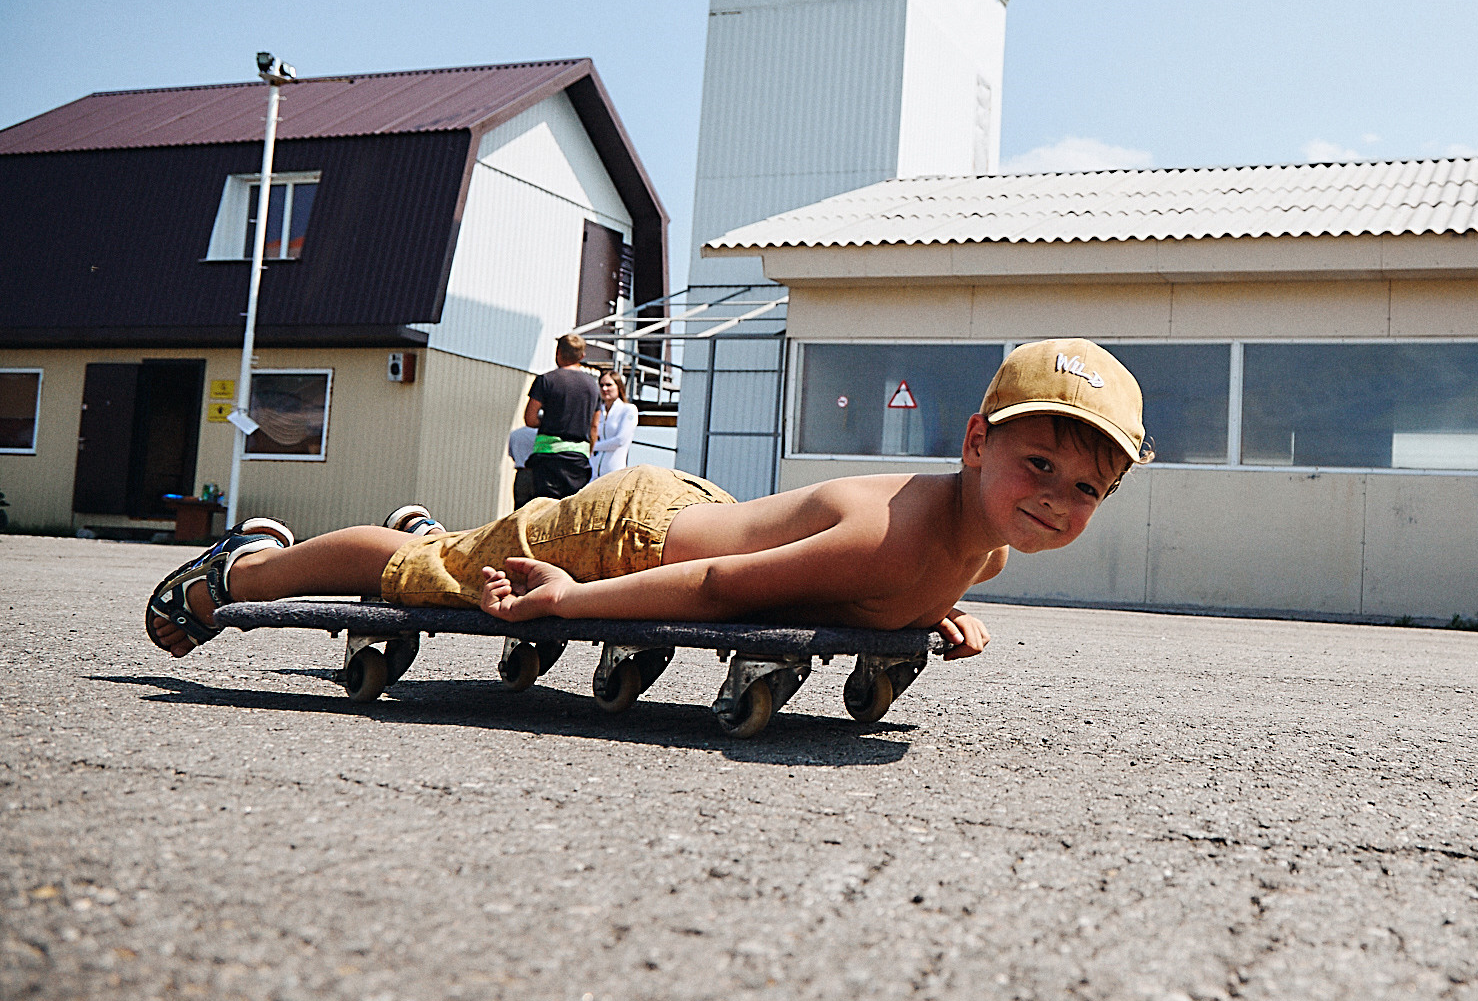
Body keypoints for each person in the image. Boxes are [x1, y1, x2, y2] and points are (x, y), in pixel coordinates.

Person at [144, 339, 1150, 664]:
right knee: (434, 574)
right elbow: (711, 585)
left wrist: (940, 607)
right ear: (975, 444)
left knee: (459, 544)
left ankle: (418, 531)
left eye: (1086, 489)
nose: (1057, 501)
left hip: (686, 507)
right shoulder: (897, 536)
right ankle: (242, 565)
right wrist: (560, 604)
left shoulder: (982, 548)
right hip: (625, 537)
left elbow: (883, 586)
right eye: (1039, 466)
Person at [523, 333, 600, 501]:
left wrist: (547, 421)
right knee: (570, 513)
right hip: (578, 460)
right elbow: (594, 427)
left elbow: (530, 418)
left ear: (558, 352)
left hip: (548, 457)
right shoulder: (593, 387)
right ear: (582, 356)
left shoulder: (546, 380)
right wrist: (587, 452)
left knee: (544, 512)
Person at [591, 368, 638, 480]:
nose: (604, 389)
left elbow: (620, 440)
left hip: (614, 473)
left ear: (619, 387)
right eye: (601, 385)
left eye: (609, 385)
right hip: (593, 474)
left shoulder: (628, 410)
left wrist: (593, 447)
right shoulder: (598, 411)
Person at [506, 424, 538, 510]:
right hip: (538, 474)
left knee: (519, 509)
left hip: (521, 474)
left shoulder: (515, 434)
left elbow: (511, 454)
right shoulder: (541, 435)